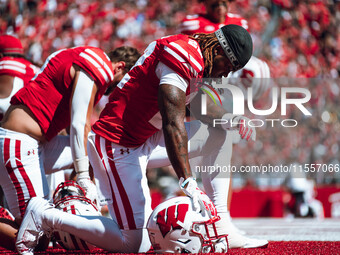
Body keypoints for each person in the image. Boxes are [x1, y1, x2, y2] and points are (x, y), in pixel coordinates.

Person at [16, 24, 266, 254]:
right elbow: (173, 123)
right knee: (133, 242)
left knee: (219, 134)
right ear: (220, 52)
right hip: (117, 143)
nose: (223, 76)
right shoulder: (183, 55)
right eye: (228, 68)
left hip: (143, 138)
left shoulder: (194, 55)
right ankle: (45, 214)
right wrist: (188, 181)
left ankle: (221, 222)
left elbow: (194, 104)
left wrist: (229, 118)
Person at [0, 45, 140, 251]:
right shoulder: (97, 63)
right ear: (120, 66)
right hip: (19, 141)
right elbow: (78, 123)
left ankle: (84, 203)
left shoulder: (83, 54)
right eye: (123, 82)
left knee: (97, 147)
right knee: (36, 236)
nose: (119, 89)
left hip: (35, 142)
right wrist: (82, 174)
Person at [179, 0, 270, 241]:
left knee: (221, 153)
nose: (219, 7)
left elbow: (244, 62)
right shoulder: (191, 23)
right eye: (215, 2)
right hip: (200, 88)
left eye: (224, 2)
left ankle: (223, 216)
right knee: (198, 154)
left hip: (225, 91)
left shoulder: (239, 22)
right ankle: (200, 214)